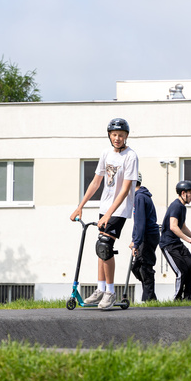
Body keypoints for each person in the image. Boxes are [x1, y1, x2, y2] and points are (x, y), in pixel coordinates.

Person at [70, 118, 138, 310]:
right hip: (105, 206)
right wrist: (80, 205)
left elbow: (125, 189)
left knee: (105, 246)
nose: (117, 138)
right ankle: (100, 289)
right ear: (109, 135)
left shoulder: (131, 156)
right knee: (100, 248)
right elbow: (95, 182)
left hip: (120, 208)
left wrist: (109, 213)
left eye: (121, 135)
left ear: (126, 137)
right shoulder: (106, 153)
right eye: (114, 135)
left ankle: (110, 292)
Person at [159, 180, 191, 301]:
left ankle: (187, 297)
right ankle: (177, 299)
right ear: (183, 193)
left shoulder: (182, 207)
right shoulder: (176, 206)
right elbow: (173, 226)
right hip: (168, 245)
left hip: (177, 243)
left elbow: (182, 226)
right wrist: (188, 240)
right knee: (181, 271)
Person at [130, 173, 160, 301]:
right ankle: (151, 297)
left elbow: (141, 222)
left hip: (147, 236)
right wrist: (134, 239)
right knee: (137, 267)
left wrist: (136, 243)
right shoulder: (139, 196)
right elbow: (137, 222)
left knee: (145, 268)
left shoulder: (140, 197)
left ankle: (148, 300)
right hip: (145, 235)